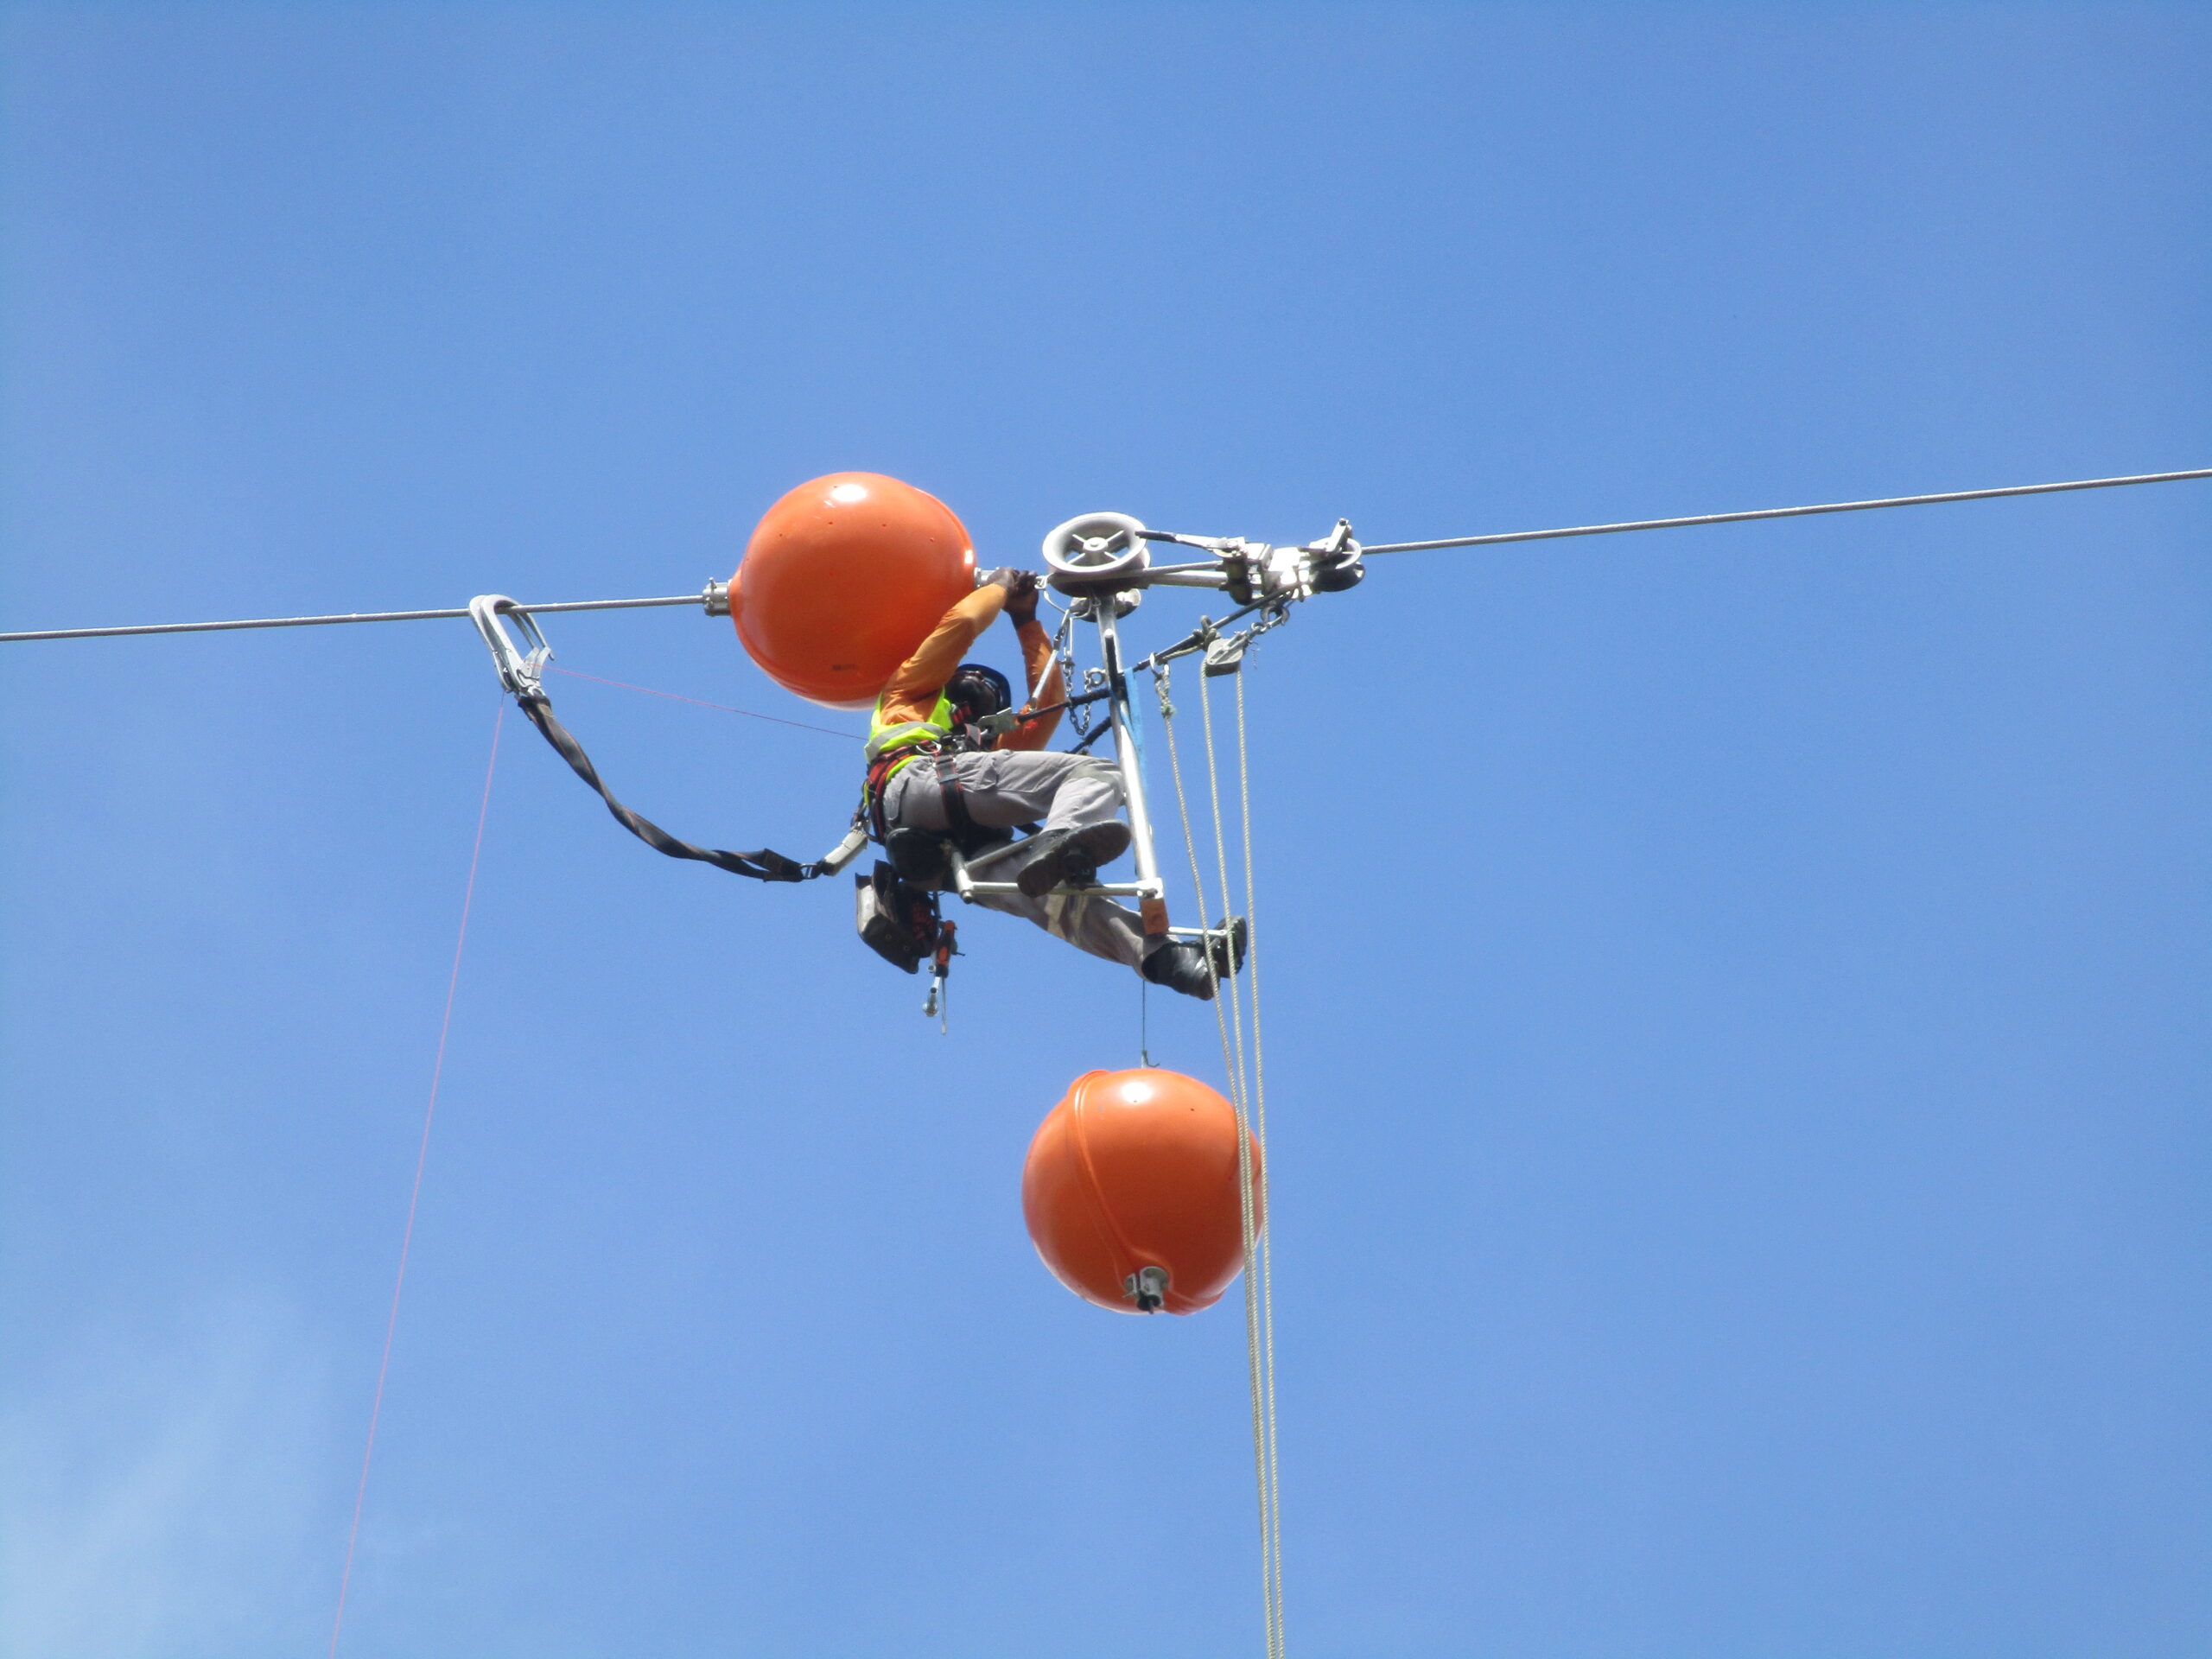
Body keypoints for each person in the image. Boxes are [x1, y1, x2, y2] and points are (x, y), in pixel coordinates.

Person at [864, 568, 1240, 999]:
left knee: (1059, 901)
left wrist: (1028, 624)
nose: (981, 688)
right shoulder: (911, 693)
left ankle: (1167, 960)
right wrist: (1002, 594)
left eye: (990, 691)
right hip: (921, 782)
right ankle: (1059, 839)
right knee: (1097, 774)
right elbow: (962, 626)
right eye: (975, 683)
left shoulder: (987, 746)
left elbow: (1046, 705)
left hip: (945, 856)